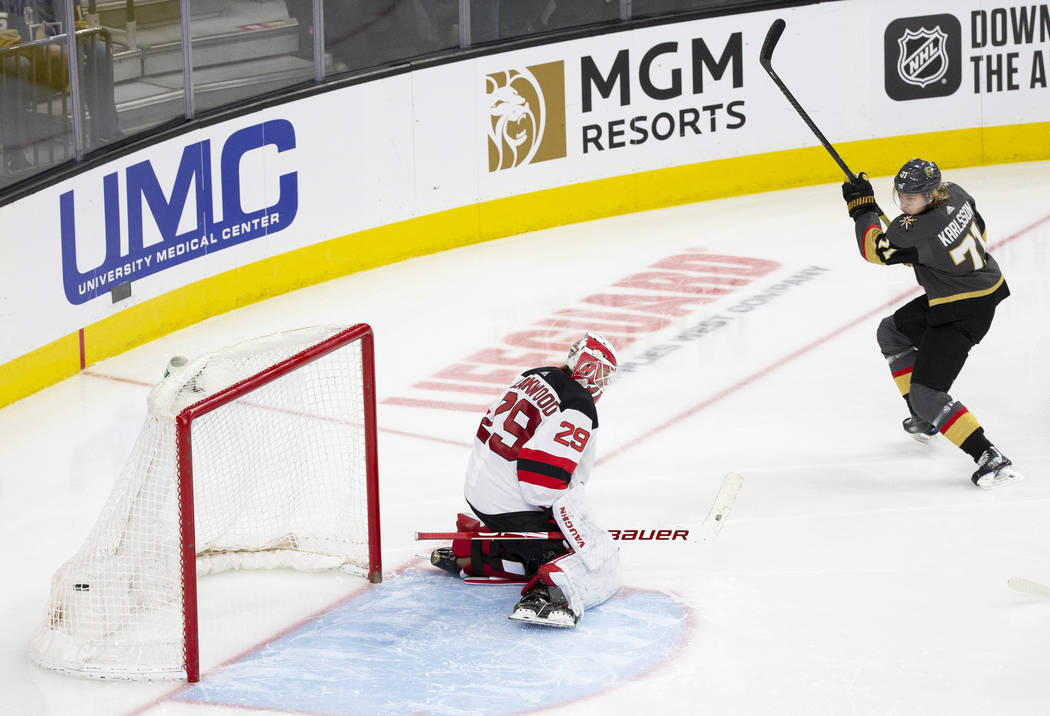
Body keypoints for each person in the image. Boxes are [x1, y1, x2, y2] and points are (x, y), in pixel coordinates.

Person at [842, 158, 1022, 489]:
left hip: (963, 309)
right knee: (891, 333)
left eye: (913, 197)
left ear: (932, 193)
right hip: (977, 285)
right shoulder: (956, 192)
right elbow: (978, 228)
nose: (905, 202)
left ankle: (989, 456)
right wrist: (932, 255)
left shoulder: (914, 231)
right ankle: (925, 421)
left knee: (927, 393)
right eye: (902, 196)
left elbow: (874, 250)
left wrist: (862, 209)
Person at [430, 332, 621, 627]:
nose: (601, 382)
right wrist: (565, 524)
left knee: (549, 537)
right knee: (593, 555)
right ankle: (548, 595)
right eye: (601, 372)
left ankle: (478, 555)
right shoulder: (578, 404)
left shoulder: (535, 374)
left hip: (481, 494)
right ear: (586, 368)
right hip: (512, 505)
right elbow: (540, 484)